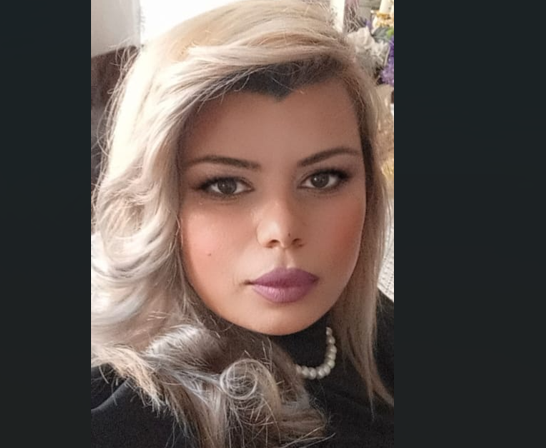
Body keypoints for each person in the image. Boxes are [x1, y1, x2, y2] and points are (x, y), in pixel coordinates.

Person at [91, 1, 394, 447]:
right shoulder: (136, 420)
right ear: (154, 203)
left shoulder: (373, 326)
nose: (282, 229)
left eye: (322, 178)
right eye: (226, 185)